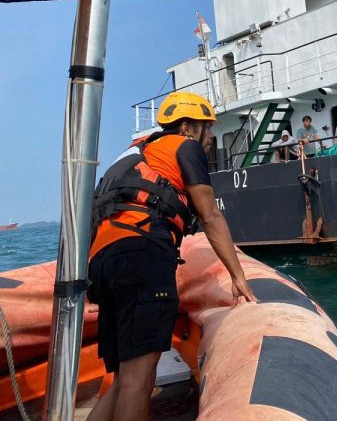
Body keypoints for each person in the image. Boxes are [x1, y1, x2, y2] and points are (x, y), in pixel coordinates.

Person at [87, 91, 256, 421]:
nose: (210, 140)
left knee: (125, 381)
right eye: (208, 130)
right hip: (143, 254)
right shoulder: (185, 147)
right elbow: (210, 216)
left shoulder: (135, 154)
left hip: (103, 264)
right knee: (139, 381)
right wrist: (238, 277)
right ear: (189, 128)